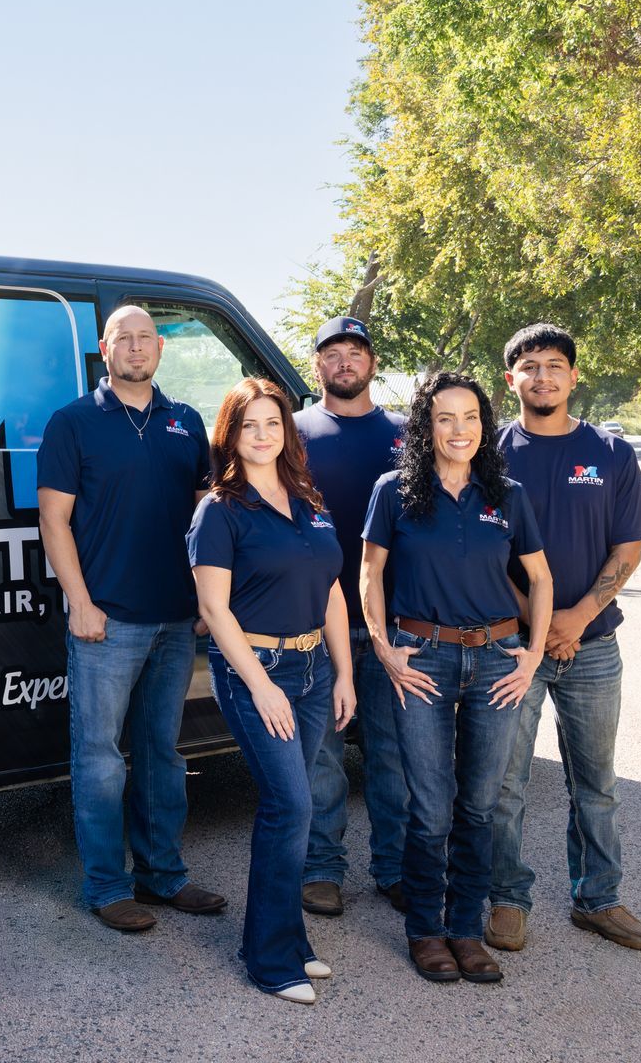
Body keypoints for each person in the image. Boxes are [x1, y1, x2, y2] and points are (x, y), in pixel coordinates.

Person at [38, 305, 227, 932]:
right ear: (104, 348)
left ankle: (163, 877)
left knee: (161, 754)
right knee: (99, 758)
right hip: (108, 622)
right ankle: (105, 885)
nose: (137, 348)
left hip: (177, 619)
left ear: (161, 350)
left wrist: (206, 602)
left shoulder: (186, 422)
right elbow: (53, 520)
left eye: (148, 338)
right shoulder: (74, 423)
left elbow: (207, 521)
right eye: (126, 338)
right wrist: (81, 601)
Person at [360, 372, 553, 984]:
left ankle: (466, 931)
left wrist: (532, 656)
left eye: (469, 417)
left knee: (480, 805)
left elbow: (541, 581)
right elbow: (369, 576)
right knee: (431, 810)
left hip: (499, 662)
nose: (459, 430)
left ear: (484, 425)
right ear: (425, 427)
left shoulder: (509, 495)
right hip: (424, 660)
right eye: (445, 418)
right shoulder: (394, 492)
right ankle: (425, 931)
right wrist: (386, 649)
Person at [486, 324, 641, 953]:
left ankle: (599, 899)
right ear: (511, 380)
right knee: (503, 784)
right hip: (511, 650)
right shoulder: (489, 453)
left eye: (555, 366)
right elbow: (481, 549)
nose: (543, 377)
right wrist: (537, 624)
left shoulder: (610, 453)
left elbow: (629, 548)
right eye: (529, 367)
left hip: (593, 645)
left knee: (595, 782)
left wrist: (577, 616)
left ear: (573, 377)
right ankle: (506, 899)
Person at [189, 378, 356, 1004]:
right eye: (248, 425)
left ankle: (287, 939)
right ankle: (269, 960)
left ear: (287, 431)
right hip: (256, 669)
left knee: (301, 803)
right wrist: (260, 686)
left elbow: (334, 591)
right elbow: (214, 607)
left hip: (314, 671)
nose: (262, 435)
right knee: (288, 805)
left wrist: (342, 673)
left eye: (273, 424)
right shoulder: (221, 509)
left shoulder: (309, 501)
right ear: (229, 434)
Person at [294, 316, 409, 919]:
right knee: (322, 755)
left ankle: (394, 868)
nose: (344, 361)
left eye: (355, 351)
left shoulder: (407, 432)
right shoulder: (289, 432)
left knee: (392, 754)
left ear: (372, 361)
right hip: (313, 624)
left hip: (393, 625)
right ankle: (321, 869)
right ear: (318, 365)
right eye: (332, 353)